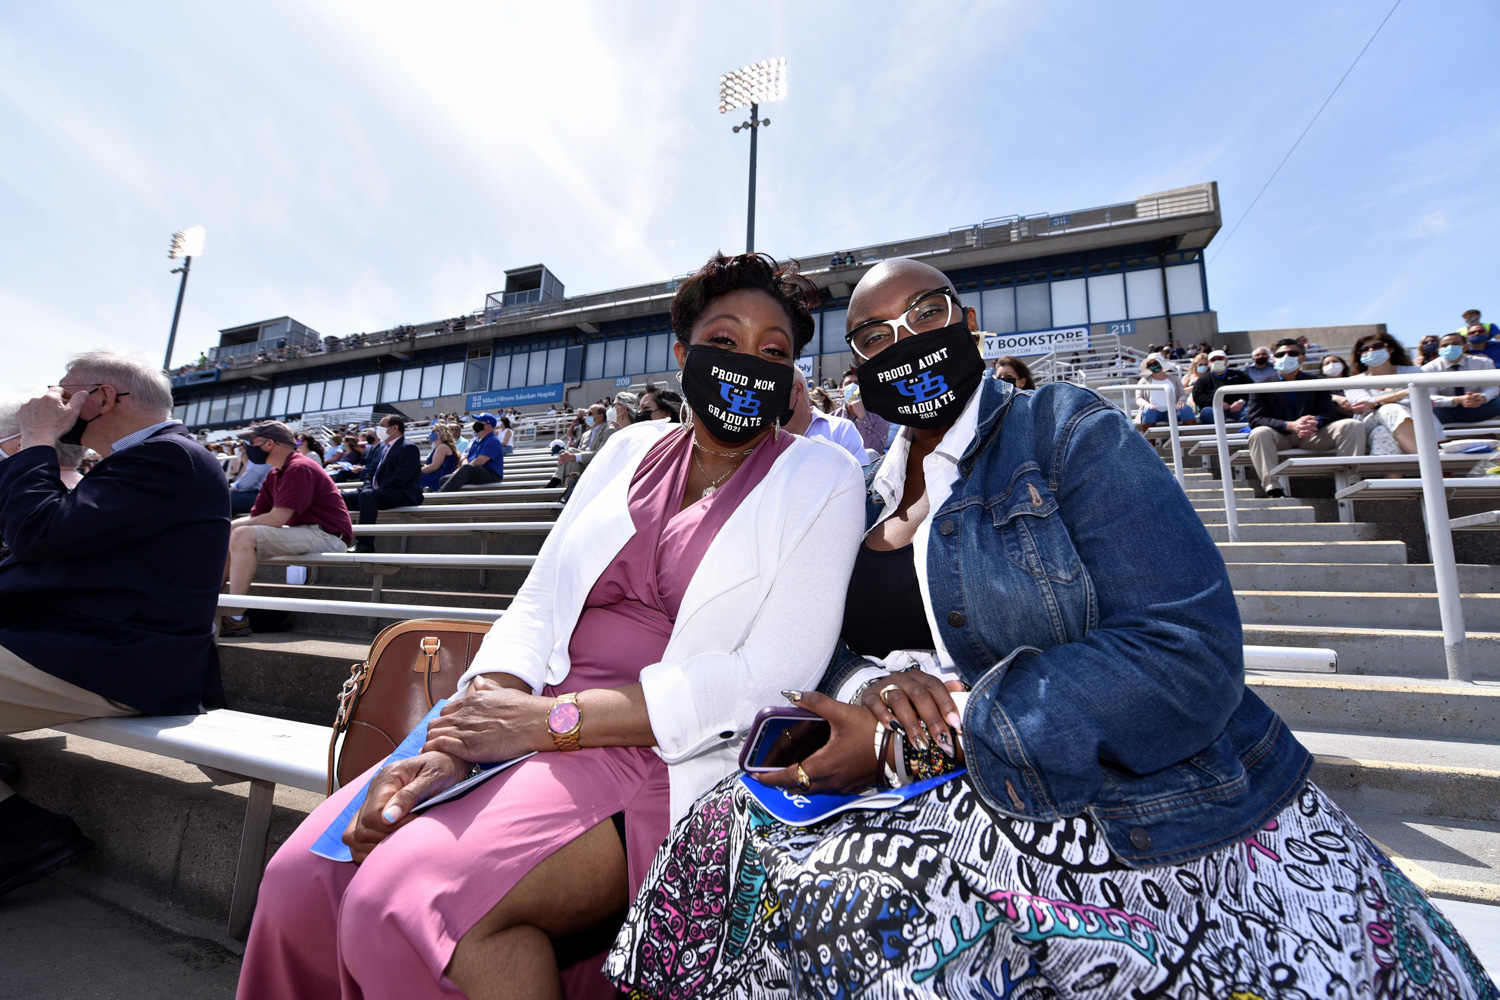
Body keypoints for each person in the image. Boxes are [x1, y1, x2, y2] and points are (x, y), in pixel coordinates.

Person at [606, 258, 1498, 1000]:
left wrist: (927, 732)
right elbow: (828, 645)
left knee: (874, 909)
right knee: (713, 842)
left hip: (1116, 798)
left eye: (927, 313)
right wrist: (869, 689)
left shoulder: (1066, 429)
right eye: (874, 335)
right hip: (910, 788)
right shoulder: (861, 490)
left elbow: (1183, 651)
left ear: (970, 325)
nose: (904, 340)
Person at [237, 251, 867, 999]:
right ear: (682, 356)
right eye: (724, 341)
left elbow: (772, 679)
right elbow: (537, 602)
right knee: (300, 881)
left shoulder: (821, 475)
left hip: (657, 743)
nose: (747, 364)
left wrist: (546, 724)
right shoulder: (628, 447)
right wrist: (472, 729)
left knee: (407, 903)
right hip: (521, 704)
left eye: (774, 351)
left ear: (793, 376)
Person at [0, 352, 228, 897]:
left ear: (101, 398)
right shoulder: (150, 458)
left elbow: (37, 533)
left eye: (64, 392)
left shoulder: (170, 457)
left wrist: (36, 439)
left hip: (115, 658)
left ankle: (18, 834)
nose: (50, 402)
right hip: (88, 644)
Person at [219, 421, 354, 638]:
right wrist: (226, 529)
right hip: (306, 531)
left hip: (328, 536)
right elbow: (257, 517)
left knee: (240, 534)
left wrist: (229, 526)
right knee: (232, 536)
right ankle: (205, 608)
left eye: (251, 442)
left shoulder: (299, 467)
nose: (246, 447)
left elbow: (275, 519)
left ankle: (235, 618)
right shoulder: (275, 473)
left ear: (269, 443)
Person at [1244, 338, 1365, 498]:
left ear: (1303, 358)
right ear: (1273, 359)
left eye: (1293, 353)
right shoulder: (1261, 386)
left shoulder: (1317, 382)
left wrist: (1315, 422)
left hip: (1313, 434)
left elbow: (1328, 413)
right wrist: (1290, 425)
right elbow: (1256, 419)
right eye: (1280, 354)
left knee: (1353, 425)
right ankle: (1272, 487)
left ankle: (1350, 480)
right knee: (1259, 433)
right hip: (1280, 436)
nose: (1286, 357)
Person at [344, 416, 423, 552]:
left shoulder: (408, 448)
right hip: (378, 493)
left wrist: (375, 491)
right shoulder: (380, 447)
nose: (378, 429)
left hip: (402, 493)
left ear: (394, 428)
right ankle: (334, 539)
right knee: (339, 498)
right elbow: (370, 474)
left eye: (381, 425)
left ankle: (365, 545)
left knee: (368, 496)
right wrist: (367, 488)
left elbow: (401, 478)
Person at [1343, 332, 1429, 454]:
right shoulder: (1353, 381)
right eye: (1365, 349)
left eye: (1377, 346)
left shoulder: (1412, 371)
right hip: (1370, 422)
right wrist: (1403, 393)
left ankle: (1402, 466)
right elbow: (1364, 404)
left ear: (1390, 349)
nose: (1371, 351)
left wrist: (1376, 402)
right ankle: (1427, 459)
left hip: (1414, 420)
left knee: (1381, 434)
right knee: (1391, 409)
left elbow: (1421, 398)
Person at [783, 367, 866, 463]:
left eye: (856, 383)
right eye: (848, 383)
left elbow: (873, 452)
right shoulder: (769, 435)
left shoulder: (841, 430)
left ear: (798, 390)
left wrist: (862, 418)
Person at [1423, 330, 1500, 424]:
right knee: (1423, 410)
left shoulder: (1484, 362)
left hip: (1480, 407)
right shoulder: (1428, 368)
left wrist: (1482, 397)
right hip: (1445, 411)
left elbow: (1492, 388)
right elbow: (1429, 396)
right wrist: (1457, 400)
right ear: (1439, 349)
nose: (1450, 347)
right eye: (1445, 345)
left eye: (1455, 344)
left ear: (1465, 347)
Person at [438, 414, 505, 492]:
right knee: (444, 479)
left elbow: (480, 461)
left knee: (467, 468)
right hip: (474, 472)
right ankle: (451, 499)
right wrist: (462, 469)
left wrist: (463, 469)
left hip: (491, 475)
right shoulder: (476, 440)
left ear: (488, 426)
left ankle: (439, 495)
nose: (476, 423)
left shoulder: (492, 441)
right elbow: (465, 456)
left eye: (479, 422)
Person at [1133, 353, 1195, 431]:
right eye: (1150, 365)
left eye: (1155, 363)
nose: (1153, 366)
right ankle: (1149, 438)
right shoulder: (1143, 381)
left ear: (1161, 363)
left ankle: (1191, 434)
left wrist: (1181, 401)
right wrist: (1146, 404)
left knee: (1186, 409)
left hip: (1173, 411)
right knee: (1149, 412)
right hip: (1153, 412)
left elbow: (1182, 394)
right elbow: (1139, 398)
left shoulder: (1174, 379)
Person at [1190, 348, 1250, 423]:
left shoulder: (1238, 375)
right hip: (1214, 409)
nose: (1217, 361)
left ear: (1226, 361)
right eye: (1213, 360)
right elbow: (1198, 397)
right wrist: (1216, 402)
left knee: (1250, 411)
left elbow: (1251, 389)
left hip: (1239, 409)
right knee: (1207, 413)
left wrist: (1242, 402)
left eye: (1220, 359)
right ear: (1209, 364)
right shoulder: (1203, 380)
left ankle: (1244, 430)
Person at [228, 440, 272, 516]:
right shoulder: (253, 460)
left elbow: (245, 485)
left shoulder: (257, 460)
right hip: (262, 495)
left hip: (260, 496)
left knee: (218, 498)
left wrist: (227, 491)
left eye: (240, 445)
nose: (238, 448)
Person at [420, 424, 459, 491]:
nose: (431, 433)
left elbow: (434, 467)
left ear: (440, 434)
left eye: (433, 431)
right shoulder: (440, 446)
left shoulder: (442, 447)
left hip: (439, 479)